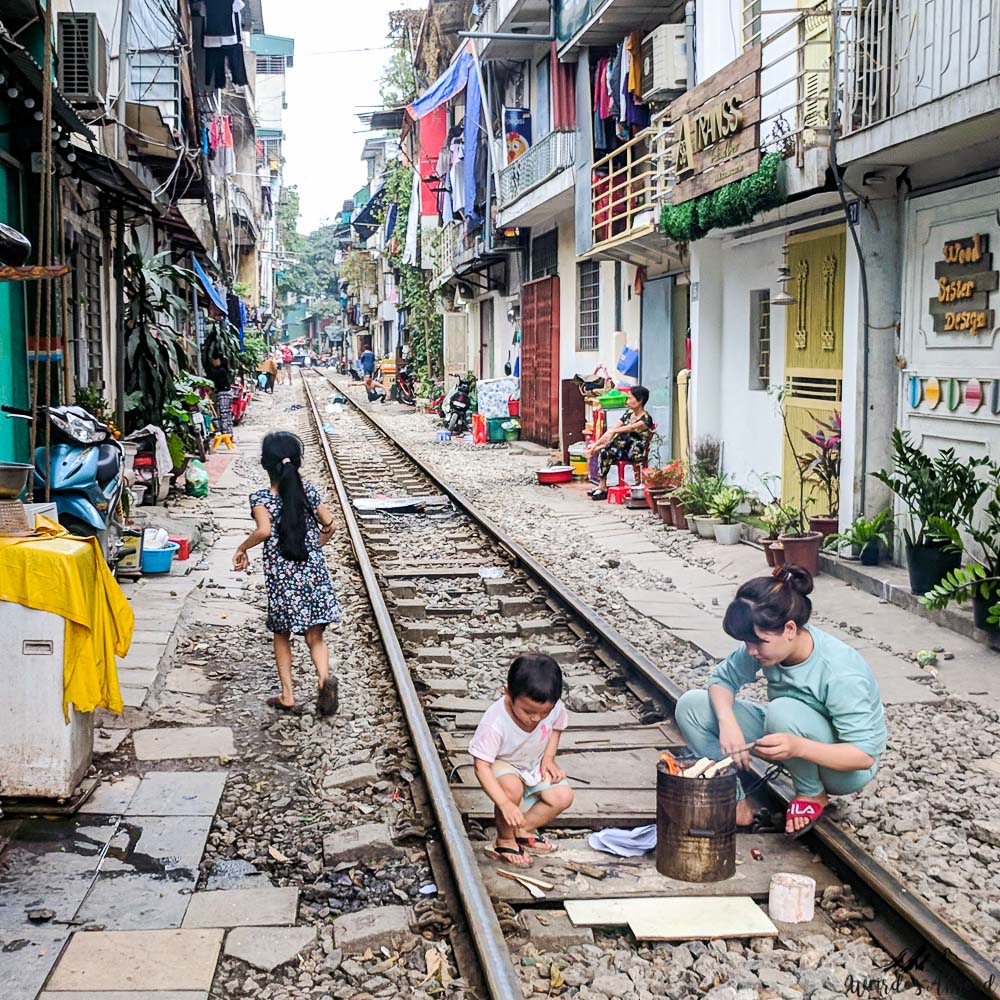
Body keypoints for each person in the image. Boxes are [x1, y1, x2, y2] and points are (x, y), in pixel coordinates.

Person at [674, 565, 886, 837]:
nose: (751, 651)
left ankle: (812, 794)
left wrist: (797, 746)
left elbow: (863, 756)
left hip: (841, 768)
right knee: (692, 706)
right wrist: (728, 723)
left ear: (789, 629)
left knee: (782, 711)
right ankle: (733, 798)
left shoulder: (841, 671)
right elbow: (721, 681)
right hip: (788, 735)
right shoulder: (765, 644)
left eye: (758, 642)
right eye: (747, 642)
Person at [233, 432, 341, 716]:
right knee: (314, 635)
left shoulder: (261, 499)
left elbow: (264, 531)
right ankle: (323, 680)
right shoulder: (309, 493)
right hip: (313, 573)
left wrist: (242, 548)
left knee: (281, 633)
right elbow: (330, 524)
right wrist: (316, 545)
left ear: (264, 464)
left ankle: (288, 695)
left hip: (283, 580)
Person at [469, 654, 575, 867]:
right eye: (528, 711)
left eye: (543, 712)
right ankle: (505, 839)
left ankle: (522, 830)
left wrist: (549, 758)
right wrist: (505, 804)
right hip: (503, 763)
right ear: (507, 692)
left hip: (532, 763)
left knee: (563, 796)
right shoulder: (495, 722)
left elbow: (557, 727)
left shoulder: (553, 708)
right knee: (511, 790)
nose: (536, 718)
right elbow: (481, 766)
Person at [584, 385, 654, 501]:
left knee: (613, 443)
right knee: (605, 451)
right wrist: (597, 444)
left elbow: (630, 428)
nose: (628, 401)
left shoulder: (646, 419)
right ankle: (602, 486)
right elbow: (612, 430)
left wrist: (613, 431)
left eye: (630, 398)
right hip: (621, 447)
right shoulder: (627, 414)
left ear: (640, 400)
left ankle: (604, 487)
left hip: (634, 450)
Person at [208, 354, 234, 438]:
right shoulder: (223, 370)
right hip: (227, 393)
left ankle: (226, 434)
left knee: (224, 414)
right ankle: (229, 433)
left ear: (218, 360)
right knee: (227, 414)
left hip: (223, 394)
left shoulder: (219, 371)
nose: (212, 362)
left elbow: (212, 383)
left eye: (214, 360)